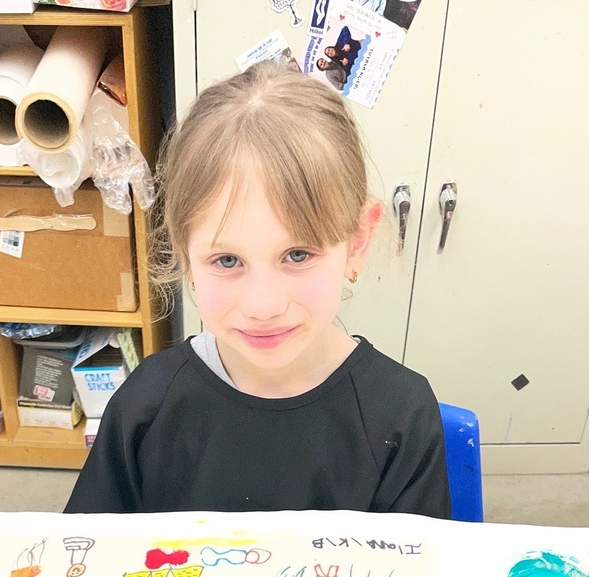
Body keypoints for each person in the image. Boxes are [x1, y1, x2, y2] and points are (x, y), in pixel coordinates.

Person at [65, 61, 451, 519]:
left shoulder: (401, 415)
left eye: (298, 255)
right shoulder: (147, 405)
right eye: (227, 260)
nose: (263, 306)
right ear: (187, 256)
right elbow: (91, 559)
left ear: (357, 243)